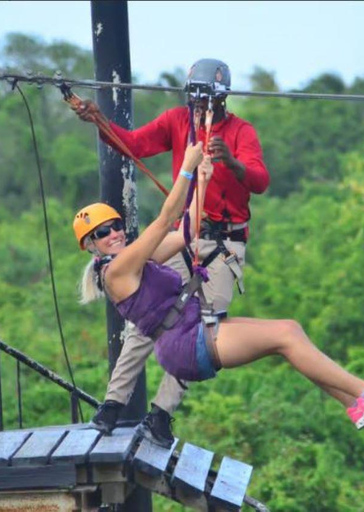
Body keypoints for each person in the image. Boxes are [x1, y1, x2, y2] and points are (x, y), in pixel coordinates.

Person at [74, 141, 364, 443]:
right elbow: (165, 220)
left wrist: (203, 181)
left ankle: (355, 404)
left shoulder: (134, 262)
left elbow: (186, 231)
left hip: (194, 330)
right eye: (104, 232)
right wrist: (187, 169)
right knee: (284, 335)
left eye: (117, 225)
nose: (115, 234)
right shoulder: (117, 271)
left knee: (290, 330)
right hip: (184, 343)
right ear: (91, 246)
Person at [71, 58, 270, 446]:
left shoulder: (241, 132)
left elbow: (259, 181)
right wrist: (100, 122)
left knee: (201, 328)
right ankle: (113, 404)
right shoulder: (179, 122)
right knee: (147, 315)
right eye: (195, 102)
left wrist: (229, 160)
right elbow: (134, 144)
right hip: (184, 234)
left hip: (222, 242)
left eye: (207, 104)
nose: (200, 110)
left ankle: (160, 415)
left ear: (222, 101)